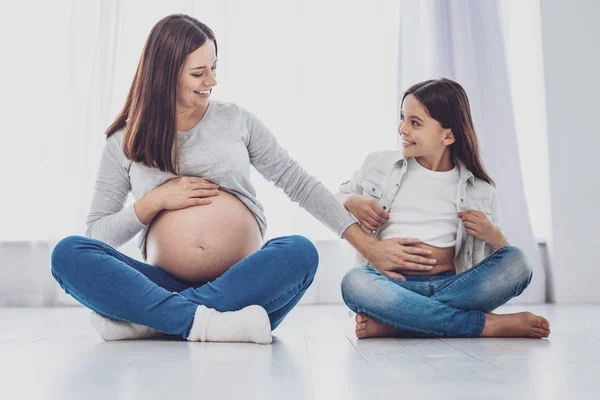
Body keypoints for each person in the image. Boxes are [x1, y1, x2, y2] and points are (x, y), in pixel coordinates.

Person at [50, 14, 434, 344]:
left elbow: (298, 183)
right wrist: (154, 202)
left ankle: (155, 321)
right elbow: (96, 236)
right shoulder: (125, 141)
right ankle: (204, 322)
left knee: (299, 252)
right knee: (68, 254)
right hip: (166, 285)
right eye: (199, 72)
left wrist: (368, 246)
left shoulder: (236, 120)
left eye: (214, 67)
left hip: (244, 287)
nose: (212, 80)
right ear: (165, 75)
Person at [339, 78, 551, 339]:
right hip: (393, 286)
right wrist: (350, 201)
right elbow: (333, 198)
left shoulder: (480, 190)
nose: (402, 129)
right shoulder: (378, 165)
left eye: (415, 123)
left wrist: (492, 234)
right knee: (355, 282)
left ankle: (399, 322)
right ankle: (486, 325)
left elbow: (504, 257)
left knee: (519, 263)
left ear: (448, 135)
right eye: (403, 117)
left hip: (454, 285)